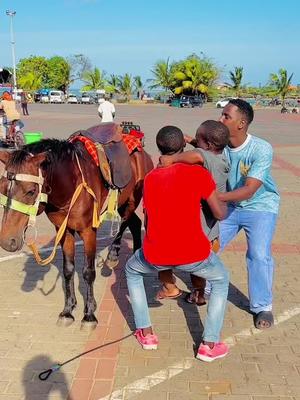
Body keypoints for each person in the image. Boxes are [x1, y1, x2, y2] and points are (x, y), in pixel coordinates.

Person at [125, 125, 230, 362]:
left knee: (132, 271)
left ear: (159, 147)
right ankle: (209, 344)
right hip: (194, 253)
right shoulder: (198, 174)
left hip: (156, 254)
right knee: (221, 279)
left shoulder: (150, 179)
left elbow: (148, 220)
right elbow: (220, 214)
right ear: (183, 148)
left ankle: (146, 333)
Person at [217, 98, 280, 329]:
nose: (220, 119)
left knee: (259, 254)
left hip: (261, 206)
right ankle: (205, 288)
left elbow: (251, 189)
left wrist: (215, 199)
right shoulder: (220, 145)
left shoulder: (261, 148)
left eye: (226, 116)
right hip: (232, 206)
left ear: (241, 123)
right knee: (206, 244)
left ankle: (262, 306)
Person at [157, 120, 230, 306]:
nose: (194, 142)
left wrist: (171, 159)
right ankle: (198, 293)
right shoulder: (219, 157)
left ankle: (169, 286)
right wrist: (188, 139)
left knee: (167, 253)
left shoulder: (206, 159)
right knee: (198, 265)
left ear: (207, 145)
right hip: (210, 228)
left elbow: (198, 155)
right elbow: (201, 149)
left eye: (198, 138)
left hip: (203, 225)